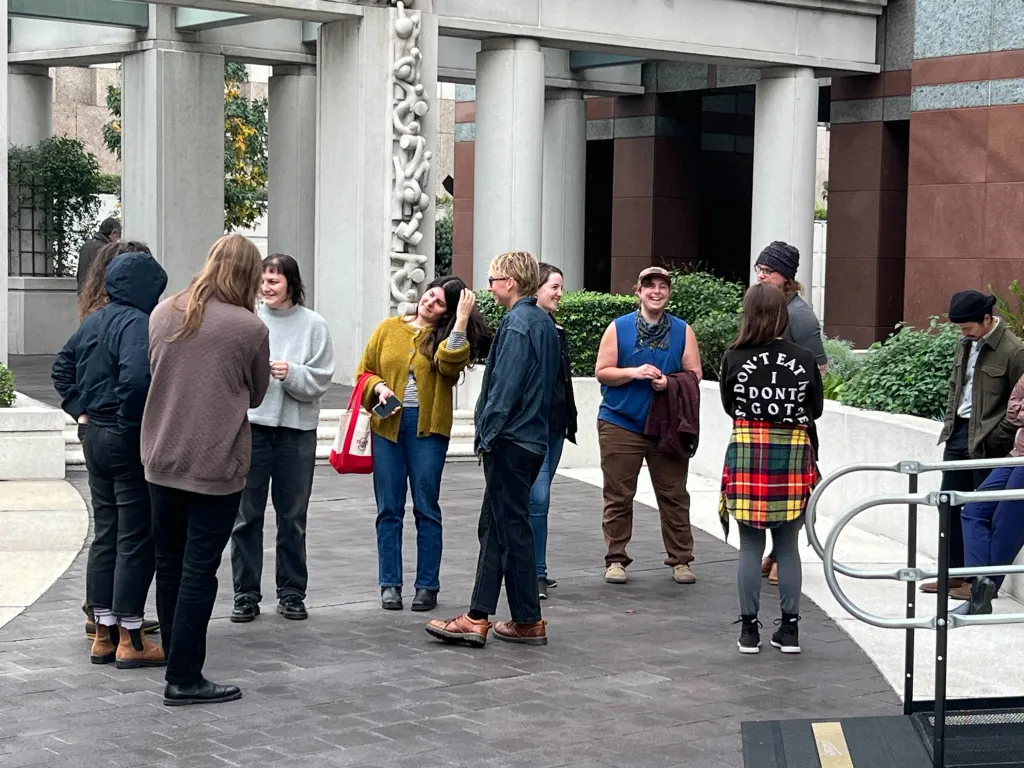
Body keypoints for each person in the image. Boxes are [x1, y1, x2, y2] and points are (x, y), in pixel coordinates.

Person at [142, 233, 270, 707]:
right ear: (249, 275)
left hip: (161, 456)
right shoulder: (248, 327)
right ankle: (184, 677)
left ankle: (178, 667)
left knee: (168, 566)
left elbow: (154, 371)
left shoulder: (163, 311)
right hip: (215, 462)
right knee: (199, 571)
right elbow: (255, 394)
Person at [426, 251, 559, 647]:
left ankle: (523, 619)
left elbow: (504, 390)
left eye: (493, 279)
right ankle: (482, 615)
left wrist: (486, 434)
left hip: (511, 441)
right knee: (498, 528)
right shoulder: (543, 323)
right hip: (529, 439)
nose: (488, 287)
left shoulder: (518, 324)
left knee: (509, 529)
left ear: (511, 283)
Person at [52, 244, 168, 668]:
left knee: (106, 533)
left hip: (93, 435)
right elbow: (137, 379)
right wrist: (126, 420)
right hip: (123, 436)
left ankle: (102, 631)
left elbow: (61, 368)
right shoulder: (138, 323)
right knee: (135, 537)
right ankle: (131, 639)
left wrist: (79, 408)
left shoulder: (94, 320)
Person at [358, 275, 492, 612]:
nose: (430, 302)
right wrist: (378, 387)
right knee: (388, 508)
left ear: (445, 314)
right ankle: (390, 583)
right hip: (387, 425)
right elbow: (364, 371)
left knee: (426, 507)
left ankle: (427, 585)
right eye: (430, 295)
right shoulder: (389, 328)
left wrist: (460, 320)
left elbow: (449, 365)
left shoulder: (447, 338)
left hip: (428, 428)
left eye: (439, 304)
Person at [230, 254, 335, 623]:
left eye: (274, 281)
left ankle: (292, 593)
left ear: (291, 283)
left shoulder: (314, 325)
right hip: (253, 429)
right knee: (246, 517)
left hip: (296, 433)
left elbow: (321, 380)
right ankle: (245, 594)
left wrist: (291, 373)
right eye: (263, 280)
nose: (266, 287)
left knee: (293, 517)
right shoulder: (248, 320)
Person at [719, 283, 823, 655]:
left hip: (748, 452)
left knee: (749, 545)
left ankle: (749, 632)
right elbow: (816, 409)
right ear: (782, 314)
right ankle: (790, 632)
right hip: (793, 455)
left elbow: (730, 406)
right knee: (787, 546)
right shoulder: (804, 357)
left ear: (747, 314)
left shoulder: (734, 356)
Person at [594, 266, 701, 586]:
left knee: (674, 494)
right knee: (618, 495)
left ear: (668, 292)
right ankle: (616, 559)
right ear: (638, 291)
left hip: (667, 425)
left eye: (662, 286)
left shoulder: (683, 330)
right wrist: (634, 372)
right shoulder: (619, 328)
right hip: (620, 422)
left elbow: (694, 375)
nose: (656, 291)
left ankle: (681, 559)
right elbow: (602, 371)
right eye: (649, 286)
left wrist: (669, 382)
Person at [921, 290, 1024, 599]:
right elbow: (958, 385)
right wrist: (951, 425)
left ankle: (976, 581)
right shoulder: (965, 343)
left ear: (987, 319)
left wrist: (999, 435)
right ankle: (953, 573)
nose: (962, 333)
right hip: (959, 433)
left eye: (967, 327)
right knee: (950, 504)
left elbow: (1017, 400)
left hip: (991, 440)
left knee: (983, 509)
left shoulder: (1013, 350)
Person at [752, 241, 828, 587]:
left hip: (795, 423)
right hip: (764, 422)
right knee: (768, 492)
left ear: (787, 277)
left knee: (794, 492)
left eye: (768, 271)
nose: (761, 276)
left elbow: (820, 370)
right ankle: (774, 553)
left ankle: (784, 553)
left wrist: (788, 399)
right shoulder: (764, 309)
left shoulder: (800, 316)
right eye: (759, 270)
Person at [955, 371, 1024, 616]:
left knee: (1006, 525)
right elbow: (1013, 411)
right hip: (1017, 455)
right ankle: (982, 584)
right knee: (973, 509)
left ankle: (980, 595)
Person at [529, 263, 578, 600]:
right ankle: (533, 573)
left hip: (556, 427)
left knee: (540, 501)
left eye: (561, 287)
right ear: (536, 289)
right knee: (538, 497)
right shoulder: (529, 326)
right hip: (534, 427)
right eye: (554, 287)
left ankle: (538, 570)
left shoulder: (557, 329)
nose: (559, 293)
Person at [76, 218, 121, 293]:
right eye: (118, 237)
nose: (117, 242)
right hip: (98, 296)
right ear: (114, 233)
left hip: (83, 295)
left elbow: (79, 275)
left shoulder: (86, 246)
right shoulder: (107, 250)